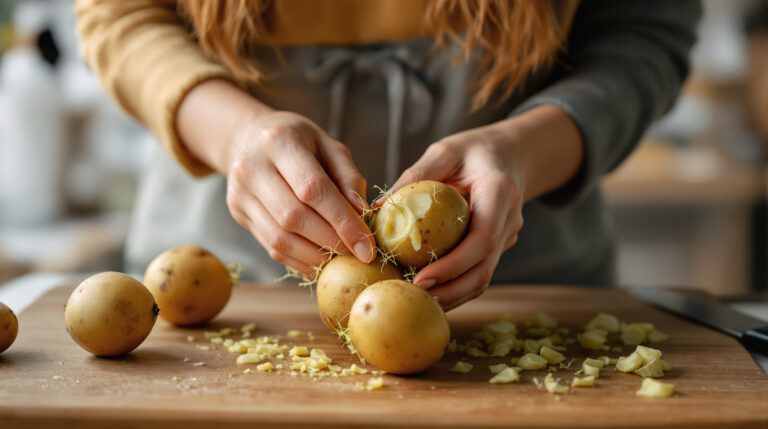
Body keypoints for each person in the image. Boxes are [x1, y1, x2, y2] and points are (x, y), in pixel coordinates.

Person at [74, 0, 701, 310]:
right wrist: (235, 134)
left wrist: (522, 151)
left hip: (530, 295)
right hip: (226, 293)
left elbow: (643, 31)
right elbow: (120, 14)